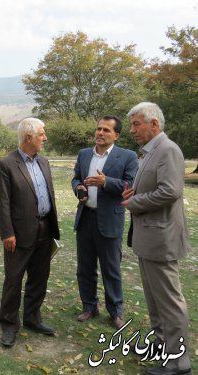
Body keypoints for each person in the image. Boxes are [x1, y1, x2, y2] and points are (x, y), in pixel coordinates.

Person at [122, 102, 191, 375]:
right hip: (148, 240)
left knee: (170, 303)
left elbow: (170, 191)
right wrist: (134, 195)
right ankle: (165, 350)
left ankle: (179, 362)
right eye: (131, 125)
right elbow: (154, 187)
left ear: (154, 124)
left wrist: (136, 202)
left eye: (137, 124)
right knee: (155, 301)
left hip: (161, 240)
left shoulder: (168, 150)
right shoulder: (149, 152)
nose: (132, 130)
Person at [0, 117, 60, 347]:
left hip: (45, 227)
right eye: (42, 133)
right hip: (18, 233)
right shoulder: (6, 164)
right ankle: (9, 325)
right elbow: (2, 203)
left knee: (39, 277)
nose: (45, 137)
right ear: (29, 137)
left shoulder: (44, 162)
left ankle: (33, 318)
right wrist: (7, 233)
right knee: (14, 279)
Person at [72, 116, 138, 329]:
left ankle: (115, 312)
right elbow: (76, 178)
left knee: (111, 269)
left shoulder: (127, 156)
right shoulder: (84, 154)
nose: (100, 133)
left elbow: (131, 185)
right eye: (98, 129)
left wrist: (106, 182)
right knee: (85, 267)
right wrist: (78, 189)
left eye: (106, 130)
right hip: (86, 218)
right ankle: (89, 306)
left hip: (109, 219)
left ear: (116, 135)